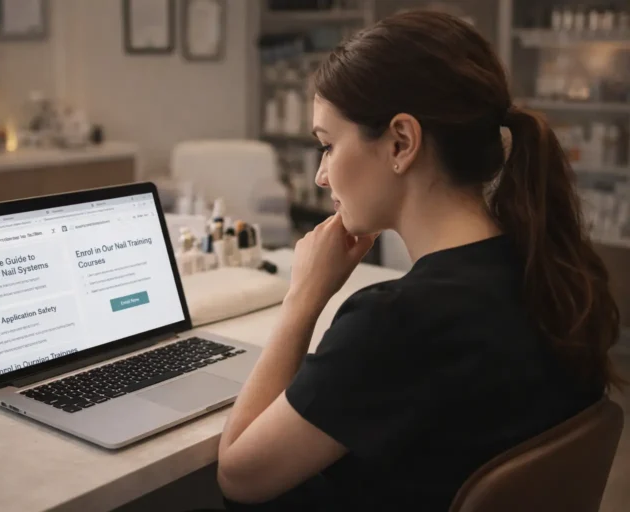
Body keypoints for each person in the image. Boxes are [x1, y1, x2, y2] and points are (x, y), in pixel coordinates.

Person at [208, 10, 622, 512]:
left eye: (328, 145)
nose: (321, 176)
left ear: (401, 143)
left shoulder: (397, 320)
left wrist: (303, 296)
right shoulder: (548, 269)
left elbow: (238, 475)